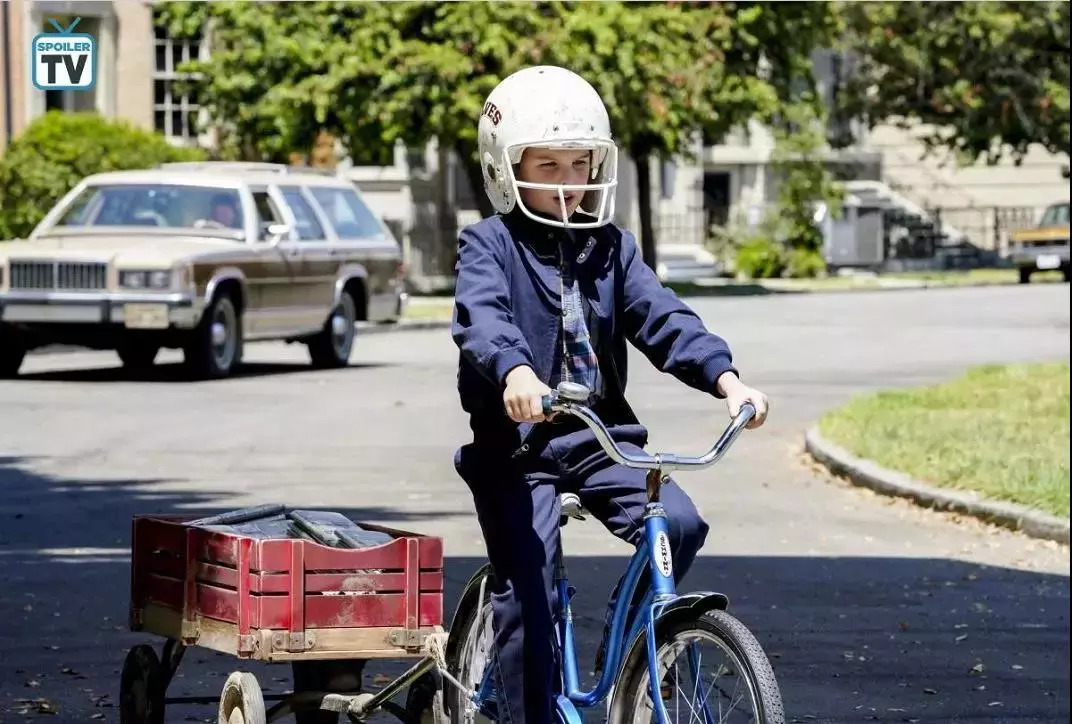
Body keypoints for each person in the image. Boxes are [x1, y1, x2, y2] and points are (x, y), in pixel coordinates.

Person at [450, 65, 770, 723]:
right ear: (505, 168)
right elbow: (483, 318)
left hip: (603, 444)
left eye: (580, 164)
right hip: (518, 450)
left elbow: (662, 316)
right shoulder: (488, 245)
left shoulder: (612, 248)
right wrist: (515, 374)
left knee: (679, 523)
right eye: (548, 165)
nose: (567, 181)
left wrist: (726, 378)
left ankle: (633, 649)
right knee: (529, 592)